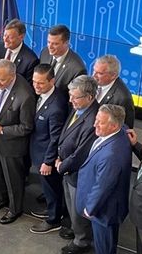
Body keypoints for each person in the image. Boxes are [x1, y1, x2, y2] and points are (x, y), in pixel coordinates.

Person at [76, 104, 132, 254]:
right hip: (107, 207)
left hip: (104, 211)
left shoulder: (111, 155)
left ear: (114, 126)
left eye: (100, 122)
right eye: (96, 119)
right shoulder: (122, 130)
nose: (95, 124)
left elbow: (103, 186)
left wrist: (90, 208)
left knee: (104, 249)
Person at [0, 59, 35, 225]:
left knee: (13, 180)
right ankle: (0, 200)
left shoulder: (25, 95)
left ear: (12, 76)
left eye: (2, 80)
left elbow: (26, 127)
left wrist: (2, 130)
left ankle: (15, 209)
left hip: (11, 145)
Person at [55, 75, 100, 253]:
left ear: (89, 97)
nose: (71, 100)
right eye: (70, 95)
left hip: (77, 174)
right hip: (67, 170)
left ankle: (81, 242)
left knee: (78, 208)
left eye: (75, 97)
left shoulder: (92, 120)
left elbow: (80, 155)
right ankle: (77, 231)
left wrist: (61, 165)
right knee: (72, 207)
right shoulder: (79, 107)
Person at [28, 64, 69, 234]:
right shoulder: (44, 95)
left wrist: (47, 161)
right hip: (38, 151)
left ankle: (53, 219)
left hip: (46, 157)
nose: (36, 86)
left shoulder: (56, 106)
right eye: (34, 82)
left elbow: (55, 138)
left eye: (41, 83)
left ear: (52, 81)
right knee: (48, 189)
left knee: (52, 188)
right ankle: (53, 210)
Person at [38, 25, 87, 93]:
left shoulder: (77, 69)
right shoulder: (44, 52)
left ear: (66, 43)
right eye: (48, 42)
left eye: (55, 44)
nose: (50, 47)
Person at [93, 55, 135, 128]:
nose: (94, 75)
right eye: (94, 70)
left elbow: (125, 128)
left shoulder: (123, 98)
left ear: (113, 75)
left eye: (100, 73)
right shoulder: (92, 83)